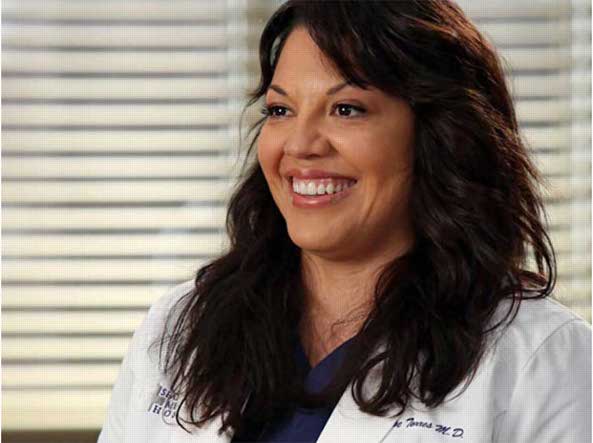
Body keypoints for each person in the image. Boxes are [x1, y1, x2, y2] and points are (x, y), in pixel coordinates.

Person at [98, 1, 591, 442]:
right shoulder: (179, 326)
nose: (300, 145)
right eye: (281, 109)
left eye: (346, 109)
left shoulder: (542, 358)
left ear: (439, 135)